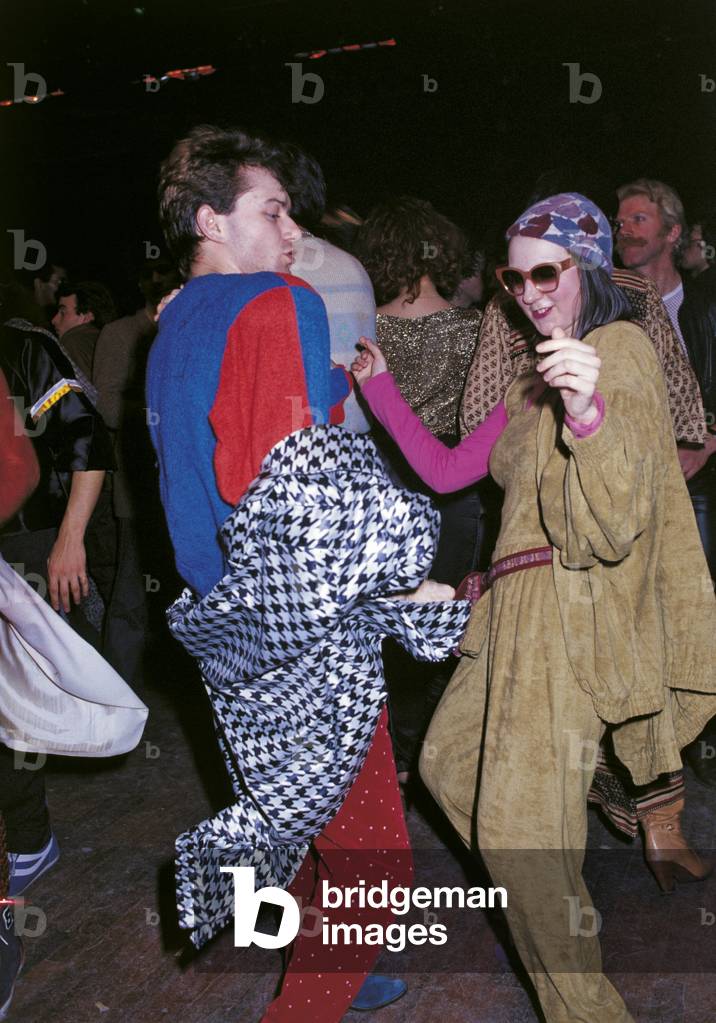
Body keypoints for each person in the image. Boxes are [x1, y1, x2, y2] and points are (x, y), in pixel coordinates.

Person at [351, 193, 716, 1023]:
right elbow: (448, 474)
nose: (528, 290)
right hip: (507, 611)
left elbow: (619, 514)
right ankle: (568, 862)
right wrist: (378, 391)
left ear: (585, 265)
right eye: (514, 278)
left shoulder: (615, 350)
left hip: (565, 614)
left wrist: (587, 414)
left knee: (518, 835)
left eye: (544, 271)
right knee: (448, 766)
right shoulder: (529, 375)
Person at [146, 124, 464, 1023]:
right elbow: (292, 492)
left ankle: (343, 973)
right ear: (210, 217)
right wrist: (405, 583)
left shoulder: (171, 326)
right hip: (300, 627)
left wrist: (330, 384)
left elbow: (233, 445)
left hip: (221, 624)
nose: (296, 234)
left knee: (305, 813)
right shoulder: (279, 301)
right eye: (274, 210)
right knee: (376, 859)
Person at [355, 196, 481, 781]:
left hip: (378, 502)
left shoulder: (362, 332)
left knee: (377, 631)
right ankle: (424, 754)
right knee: (446, 630)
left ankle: (381, 758)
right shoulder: (476, 330)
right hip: (454, 496)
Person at [0, 311, 115, 897]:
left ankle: (28, 838)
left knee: (40, 692)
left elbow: (87, 439)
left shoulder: (20, 346)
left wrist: (69, 541)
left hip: (25, 544)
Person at [52, 281, 116, 380]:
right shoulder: (113, 340)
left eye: (63, 313)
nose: (54, 320)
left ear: (88, 316)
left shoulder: (73, 341)